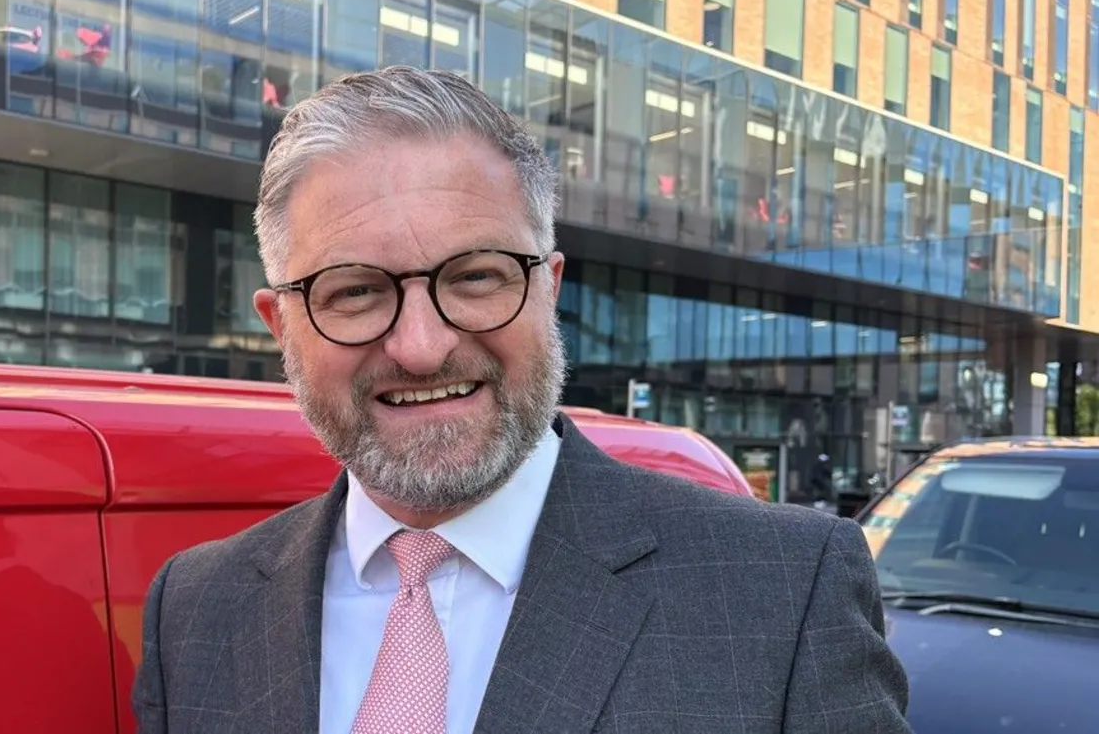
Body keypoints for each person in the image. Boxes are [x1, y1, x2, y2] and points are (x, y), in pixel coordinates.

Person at [131, 66, 911, 733]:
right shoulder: (196, 609)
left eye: (474, 276)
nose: (421, 345)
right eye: (355, 290)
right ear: (281, 325)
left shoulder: (779, 589)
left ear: (549, 287)